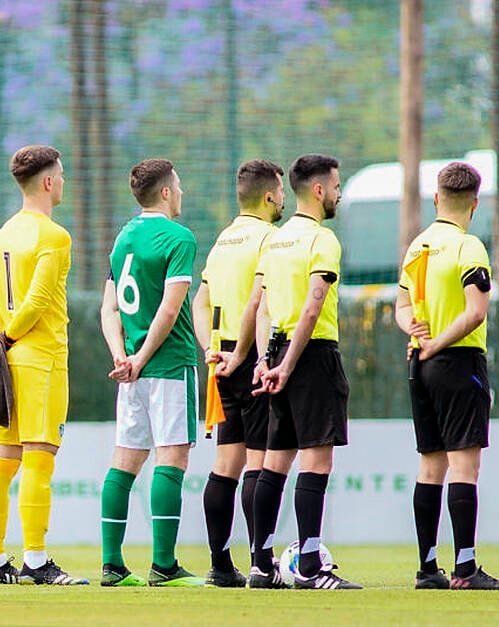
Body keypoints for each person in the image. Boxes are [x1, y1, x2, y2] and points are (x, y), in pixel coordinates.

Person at [395, 162, 499, 591]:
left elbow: (401, 308)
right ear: (475, 203)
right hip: (458, 361)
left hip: (419, 366)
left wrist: (417, 334)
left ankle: (428, 569)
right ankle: (465, 569)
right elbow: (475, 312)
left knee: (431, 465)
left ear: (435, 199)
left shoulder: (418, 247)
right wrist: (438, 343)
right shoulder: (469, 248)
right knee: (465, 465)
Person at [0, 144, 84, 586]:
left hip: (5, 362)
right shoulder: (54, 235)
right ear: (47, 181)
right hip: (41, 360)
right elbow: (38, 300)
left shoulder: (5, 232)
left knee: (2, 461)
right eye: (60, 174)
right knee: (39, 460)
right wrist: (9, 336)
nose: (63, 181)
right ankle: (36, 561)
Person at [250, 154, 360, 590]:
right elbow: (314, 304)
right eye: (336, 186)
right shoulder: (322, 240)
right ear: (318, 190)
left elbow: (260, 307)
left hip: (276, 349)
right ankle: (311, 566)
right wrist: (290, 364)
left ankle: (261, 566)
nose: (338, 194)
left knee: (275, 464)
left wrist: (266, 362)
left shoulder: (273, 241)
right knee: (316, 461)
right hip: (310, 356)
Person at [98, 158, 202, 588]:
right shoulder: (179, 237)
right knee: (171, 459)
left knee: (124, 463)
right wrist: (140, 359)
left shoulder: (123, 238)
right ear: (164, 192)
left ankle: (112, 565)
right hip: (169, 364)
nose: (180, 193)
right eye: (177, 186)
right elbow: (172, 307)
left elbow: (109, 308)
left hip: (131, 373)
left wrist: (122, 357)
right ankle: (163, 565)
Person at [192, 160, 285, 587]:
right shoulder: (271, 239)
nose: (283, 199)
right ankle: (259, 564)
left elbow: (200, 302)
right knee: (258, 463)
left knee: (225, 461)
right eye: (280, 192)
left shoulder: (223, 241)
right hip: (251, 356)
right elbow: (258, 302)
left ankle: (218, 564)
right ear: (269, 196)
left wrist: (213, 350)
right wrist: (248, 353)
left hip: (220, 357)